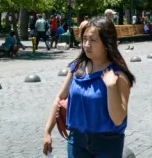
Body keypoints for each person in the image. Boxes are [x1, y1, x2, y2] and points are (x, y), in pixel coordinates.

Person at [42, 17, 135, 157]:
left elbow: (118, 119)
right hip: (76, 142)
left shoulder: (118, 75)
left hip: (107, 144)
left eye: (93, 40)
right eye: (84, 39)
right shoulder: (77, 67)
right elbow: (59, 98)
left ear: (106, 43)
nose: (86, 44)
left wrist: (111, 87)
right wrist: (47, 132)